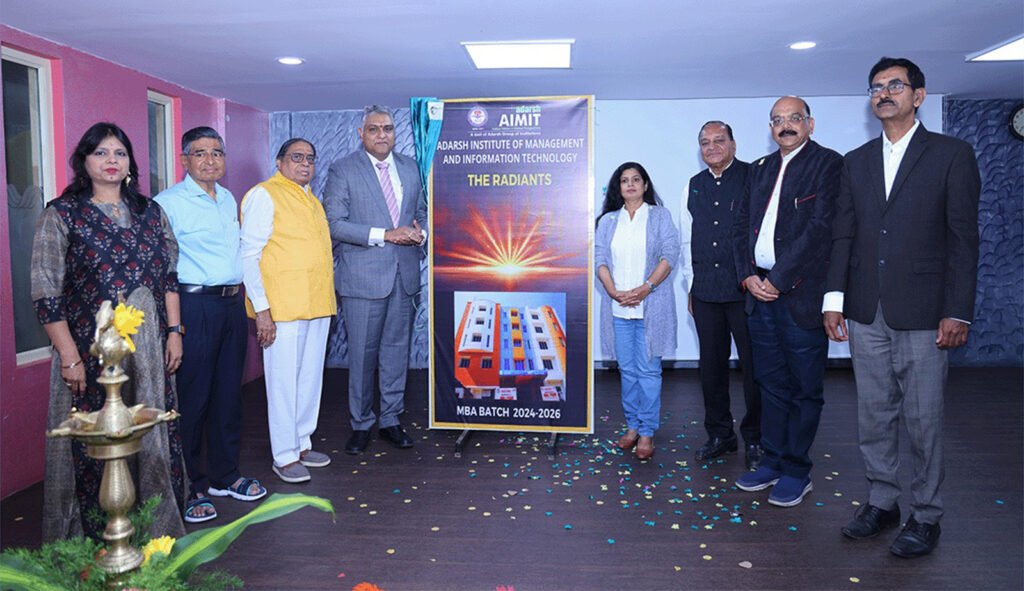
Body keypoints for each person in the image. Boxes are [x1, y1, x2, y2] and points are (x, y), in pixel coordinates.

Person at [825, 57, 980, 557]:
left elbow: (963, 239)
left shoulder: (952, 154)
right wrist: (834, 300)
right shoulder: (856, 161)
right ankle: (882, 501)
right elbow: (844, 234)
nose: (884, 93)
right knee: (873, 415)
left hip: (926, 311)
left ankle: (926, 514)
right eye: (876, 87)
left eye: (895, 85)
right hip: (865, 309)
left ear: (919, 95)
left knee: (923, 419)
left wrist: (958, 310)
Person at [31, 122, 187, 540]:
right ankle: (95, 539)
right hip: (89, 352)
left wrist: (175, 331)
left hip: (148, 353)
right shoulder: (62, 214)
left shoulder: (150, 212)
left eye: (119, 153)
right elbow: (46, 292)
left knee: (148, 434)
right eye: (100, 153)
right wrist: (69, 357)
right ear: (83, 161)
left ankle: (153, 533)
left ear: (130, 162)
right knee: (95, 444)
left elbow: (169, 277)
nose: (111, 161)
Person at [731, 97, 842, 507]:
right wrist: (748, 276)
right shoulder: (759, 169)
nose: (786, 125)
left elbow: (820, 230)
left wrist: (777, 280)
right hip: (759, 296)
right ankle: (773, 461)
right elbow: (740, 227)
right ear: (770, 128)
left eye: (794, 118)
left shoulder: (828, 164)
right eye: (778, 120)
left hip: (799, 296)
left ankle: (797, 470)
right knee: (770, 385)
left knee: (804, 389)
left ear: (810, 123)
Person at [155, 126, 267, 523]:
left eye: (217, 153)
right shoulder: (167, 203)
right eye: (200, 153)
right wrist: (173, 328)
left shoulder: (227, 198)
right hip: (193, 305)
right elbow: (161, 268)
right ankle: (190, 486)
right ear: (184, 159)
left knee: (228, 395)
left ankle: (225, 475)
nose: (209, 160)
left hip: (231, 305)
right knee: (193, 398)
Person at [322, 105, 427, 455]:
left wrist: (422, 234)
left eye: (388, 128)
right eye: (374, 129)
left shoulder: (410, 168)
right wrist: (386, 235)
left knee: (396, 353)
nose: (382, 134)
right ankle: (361, 423)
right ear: (361, 134)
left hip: (404, 276)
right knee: (362, 356)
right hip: (362, 279)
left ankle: (391, 420)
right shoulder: (343, 169)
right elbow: (334, 223)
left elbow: (421, 213)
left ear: (395, 133)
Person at [240, 138, 336, 483]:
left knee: (309, 381)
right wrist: (262, 310)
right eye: (297, 157)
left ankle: (301, 444)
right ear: (279, 162)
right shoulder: (264, 195)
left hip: (317, 304)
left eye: (310, 158)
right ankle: (283, 455)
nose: (305, 163)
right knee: (283, 383)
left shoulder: (311, 199)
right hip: (282, 309)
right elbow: (248, 256)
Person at [680, 121, 762, 470]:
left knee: (754, 368)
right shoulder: (693, 185)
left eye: (719, 140)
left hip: (745, 290)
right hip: (705, 291)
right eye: (705, 142)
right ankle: (720, 435)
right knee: (711, 368)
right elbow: (686, 239)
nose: (711, 147)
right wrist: (690, 285)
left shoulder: (753, 176)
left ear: (733, 144)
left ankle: (756, 437)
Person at [595, 162, 680, 461]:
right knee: (627, 371)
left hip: (650, 307)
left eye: (635, 179)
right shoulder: (608, 221)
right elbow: (599, 258)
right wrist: (612, 290)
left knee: (648, 371)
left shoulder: (659, 216)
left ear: (645, 185)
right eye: (624, 180)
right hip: (618, 308)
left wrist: (646, 287)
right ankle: (632, 426)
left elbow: (670, 254)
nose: (630, 184)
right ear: (618, 188)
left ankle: (646, 431)